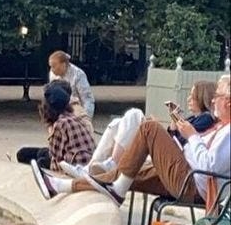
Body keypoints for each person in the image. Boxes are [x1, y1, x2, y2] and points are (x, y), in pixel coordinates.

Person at [31, 74, 231, 208]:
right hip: (189, 178)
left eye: (218, 96)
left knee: (149, 128)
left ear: (229, 102)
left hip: (192, 185)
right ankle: (59, 186)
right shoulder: (222, 126)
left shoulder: (228, 132)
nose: (213, 100)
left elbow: (209, 166)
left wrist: (192, 137)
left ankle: (115, 186)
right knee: (119, 176)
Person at [62, 80, 218, 179]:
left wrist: (157, 130)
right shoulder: (194, 118)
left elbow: (183, 142)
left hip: (172, 160)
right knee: (117, 123)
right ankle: (89, 169)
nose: (189, 99)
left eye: (193, 96)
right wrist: (172, 124)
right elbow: (176, 137)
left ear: (202, 97)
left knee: (135, 114)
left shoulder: (206, 118)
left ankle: (111, 163)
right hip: (168, 153)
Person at [16, 80, 95, 172]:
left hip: (74, 164)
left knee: (39, 162)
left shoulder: (60, 124)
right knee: (33, 153)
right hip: (84, 158)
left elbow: (56, 157)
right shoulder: (72, 115)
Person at [48, 50, 95, 121]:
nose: (51, 69)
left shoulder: (78, 75)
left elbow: (87, 99)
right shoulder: (52, 73)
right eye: (50, 66)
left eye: (54, 66)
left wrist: (86, 118)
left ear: (63, 65)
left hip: (77, 111)